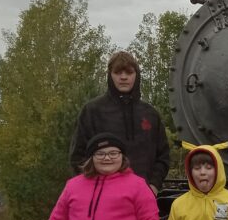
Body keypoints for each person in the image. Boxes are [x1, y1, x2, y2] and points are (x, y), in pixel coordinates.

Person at [70, 50, 170, 195]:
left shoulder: (150, 114)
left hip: (143, 196)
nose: (123, 77)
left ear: (136, 75)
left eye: (129, 73)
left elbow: (163, 156)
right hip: (103, 197)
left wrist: (153, 186)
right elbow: (78, 156)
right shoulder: (93, 111)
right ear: (110, 75)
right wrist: (91, 189)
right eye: (118, 73)